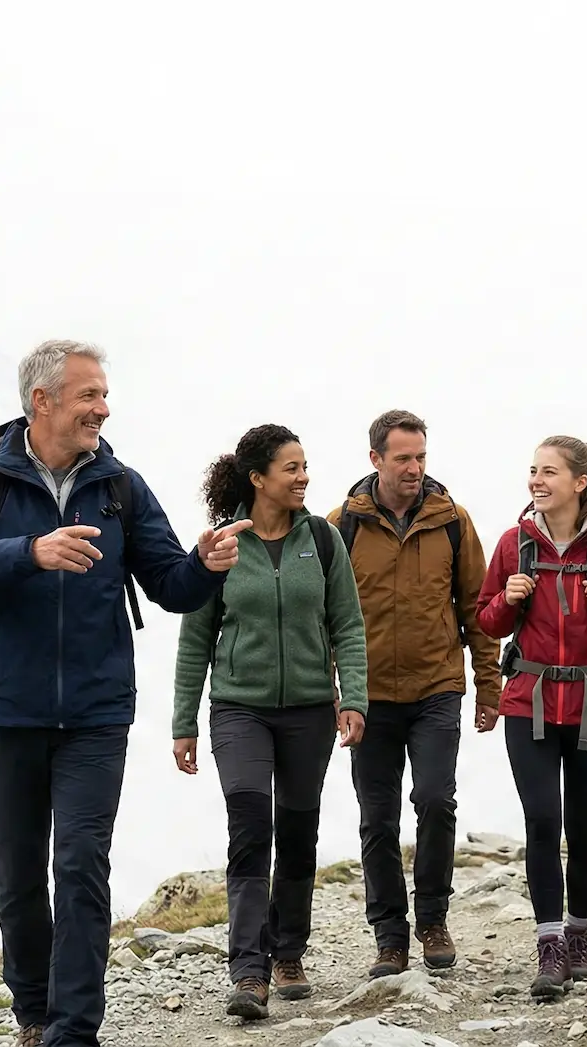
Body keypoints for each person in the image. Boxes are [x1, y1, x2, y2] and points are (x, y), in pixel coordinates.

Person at [0, 340, 252, 1047]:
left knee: (79, 863)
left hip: (96, 712)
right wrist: (30, 551)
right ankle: (34, 1013)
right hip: (4, 710)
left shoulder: (120, 487)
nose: (103, 408)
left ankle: (73, 1031)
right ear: (41, 401)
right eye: (88, 395)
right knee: (18, 877)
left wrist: (205, 563)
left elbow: (170, 583)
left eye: (103, 395)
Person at [172, 423, 370, 1020]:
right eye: (291, 467)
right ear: (257, 478)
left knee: (298, 830)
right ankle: (249, 971)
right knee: (252, 822)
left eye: (305, 465)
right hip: (239, 708)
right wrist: (183, 721)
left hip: (310, 709)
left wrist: (352, 697)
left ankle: (288, 953)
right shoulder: (223, 546)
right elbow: (195, 638)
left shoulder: (325, 540)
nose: (304, 476)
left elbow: (348, 626)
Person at [474, 436, 587, 1000]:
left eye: (548, 471)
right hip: (527, 703)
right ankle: (550, 946)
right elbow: (486, 622)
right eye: (532, 470)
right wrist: (508, 598)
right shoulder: (514, 544)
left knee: (582, 827)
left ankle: (579, 933)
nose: (536, 479)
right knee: (541, 821)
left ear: (580, 482)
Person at [325, 409, 503, 979]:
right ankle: (389, 936)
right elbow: (322, 617)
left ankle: (432, 919)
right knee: (377, 818)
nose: (414, 468)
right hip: (367, 695)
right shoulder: (339, 527)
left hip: (436, 688)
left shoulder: (453, 521)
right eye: (402, 457)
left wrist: (487, 686)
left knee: (434, 800)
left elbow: (477, 608)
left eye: (421, 456)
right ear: (375, 459)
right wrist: (335, 691)